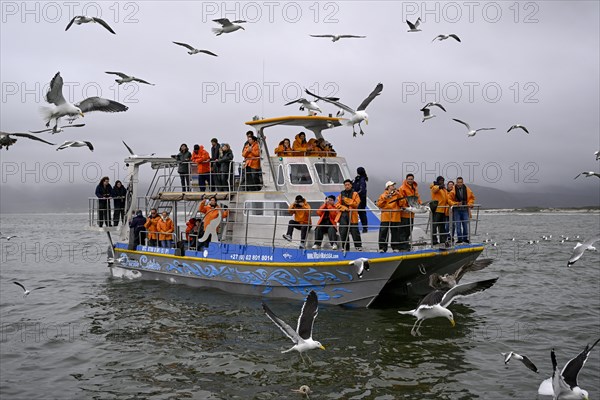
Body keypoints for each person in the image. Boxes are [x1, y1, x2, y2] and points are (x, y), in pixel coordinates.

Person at [335, 179, 363, 251]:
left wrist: (346, 200)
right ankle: (345, 247)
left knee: (355, 231)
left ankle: (358, 246)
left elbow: (356, 204)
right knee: (343, 231)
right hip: (343, 214)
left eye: (348, 185)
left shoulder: (355, 194)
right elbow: (337, 204)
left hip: (352, 214)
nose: (347, 186)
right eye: (345, 185)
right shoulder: (341, 194)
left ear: (351, 185)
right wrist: (343, 207)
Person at [376, 181, 403, 252]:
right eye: (392, 185)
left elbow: (402, 204)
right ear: (388, 187)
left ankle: (395, 247)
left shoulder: (398, 194)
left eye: (393, 185)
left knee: (395, 233)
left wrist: (399, 195)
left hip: (395, 216)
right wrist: (385, 198)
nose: (394, 186)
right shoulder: (383, 195)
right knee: (383, 232)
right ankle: (382, 248)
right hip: (386, 216)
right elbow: (379, 205)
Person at [448, 177, 476, 243]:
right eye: (458, 182)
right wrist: (455, 203)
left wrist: (469, 204)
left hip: (465, 209)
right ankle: (460, 240)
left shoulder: (467, 189)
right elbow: (449, 200)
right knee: (458, 225)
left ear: (463, 182)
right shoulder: (453, 190)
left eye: (460, 182)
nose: (459, 184)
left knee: (465, 225)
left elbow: (472, 198)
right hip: (457, 210)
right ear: (456, 182)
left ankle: (465, 239)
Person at [398, 173, 421, 251]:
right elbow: (400, 199)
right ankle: (402, 245)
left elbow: (417, 198)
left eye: (411, 179)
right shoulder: (402, 188)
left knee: (409, 229)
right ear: (406, 179)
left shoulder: (415, 188)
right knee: (403, 230)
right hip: (405, 213)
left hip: (412, 212)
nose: (410, 180)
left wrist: (420, 205)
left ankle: (406, 244)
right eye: (409, 179)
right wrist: (406, 204)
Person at [430, 176, 454, 246]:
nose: (442, 181)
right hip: (436, 209)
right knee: (434, 226)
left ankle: (442, 240)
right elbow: (434, 190)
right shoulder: (434, 186)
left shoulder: (444, 189)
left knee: (442, 226)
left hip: (443, 210)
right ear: (437, 181)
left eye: (443, 180)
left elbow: (447, 199)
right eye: (440, 180)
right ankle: (434, 240)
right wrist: (439, 186)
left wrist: (453, 204)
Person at [353, 167, 369, 233]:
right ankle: (364, 228)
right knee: (361, 213)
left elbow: (362, 190)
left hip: (360, 199)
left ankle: (364, 228)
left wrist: (355, 194)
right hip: (361, 199)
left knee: (360, 213)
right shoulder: (359, 179)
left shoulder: (361, 180)